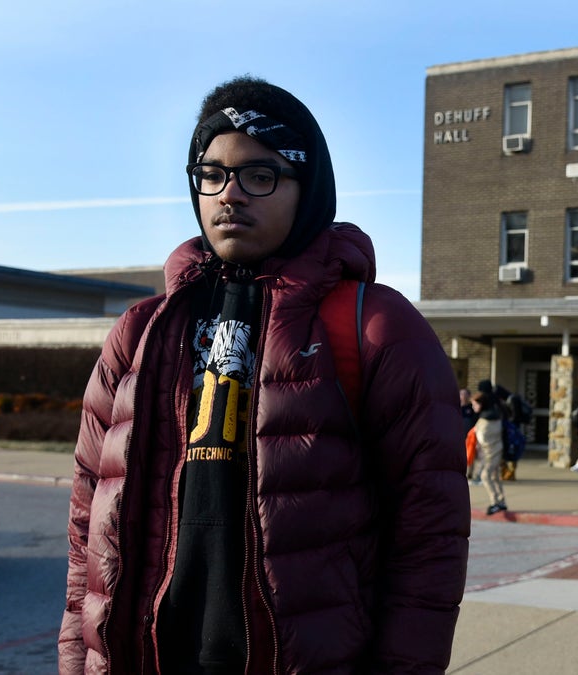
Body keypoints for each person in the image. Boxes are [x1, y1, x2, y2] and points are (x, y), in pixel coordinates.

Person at [59, 76, 470, 674]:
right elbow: (84, 534)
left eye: (260, 175)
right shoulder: (139, 331)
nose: (229, 194)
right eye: (211, 174)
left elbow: (429, 539)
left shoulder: (376, 327)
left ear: (310, 188)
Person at [471, 390, 508, 514]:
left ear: (481, 404)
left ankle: (494, 503)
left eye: (475, 404)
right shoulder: (494, 416)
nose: (473, 407)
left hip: (491, 453)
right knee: (495, 477)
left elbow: (482, 440)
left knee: (485, 476)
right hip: (496, 451)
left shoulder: (485, 422)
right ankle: (502, 502)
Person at [461, 388, 482, 483]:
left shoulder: (471, 408)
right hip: (459, 437)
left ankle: (470, 474)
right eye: (461, 394)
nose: (463, 397)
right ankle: (463, 473)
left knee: (471, 455)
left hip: (471, 436)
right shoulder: (455, 407)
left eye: (465, 394)